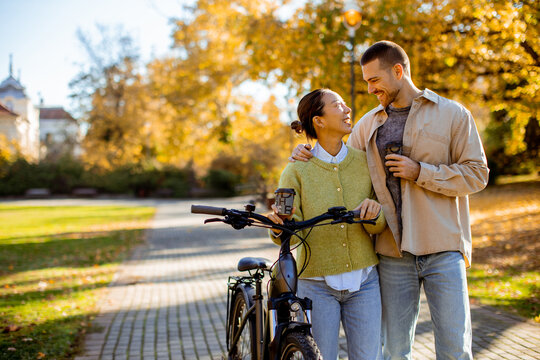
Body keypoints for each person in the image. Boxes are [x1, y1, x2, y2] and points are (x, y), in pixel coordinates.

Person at [291, 41, 489, 360]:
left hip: (443, 248)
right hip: (392, 253)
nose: (369, 89)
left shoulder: (453, 114)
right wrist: (303, 151)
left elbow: (477, 174)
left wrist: (420, 171)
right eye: (366, 81)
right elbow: (337, 160)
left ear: (398, 71)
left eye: (374, 80)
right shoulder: (367, 125)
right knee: (395, 352)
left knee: (455, 348)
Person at [269, 88, 387, 360]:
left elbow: (378, 223)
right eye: (338, 105)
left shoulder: (365, 162)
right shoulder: (296, 170)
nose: (347, 110)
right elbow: (289, 233)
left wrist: (374, 215)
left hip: (365, 280)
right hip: (316, 284)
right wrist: (280, 226)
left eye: (346, 104)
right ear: (318, 121)